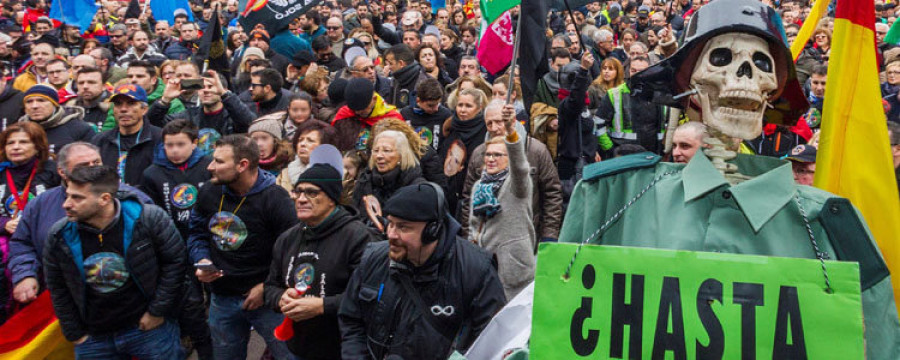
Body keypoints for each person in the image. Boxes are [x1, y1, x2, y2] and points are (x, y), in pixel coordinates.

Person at [339, 183, 506, 359]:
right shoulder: (373, 258)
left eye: (403, 227)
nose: (392, 235)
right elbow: (351, 320)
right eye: (391, 224)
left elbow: (492, 340)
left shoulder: (476, 270)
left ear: (432, 231)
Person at [43, 166, 185, 358]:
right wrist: (75, 334)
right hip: (93, 339)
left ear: (104, 199)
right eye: (67, 195)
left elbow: (175, 263)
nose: (66, 204)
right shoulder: (59, 235)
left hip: (149, 331)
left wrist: (156, 312)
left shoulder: (148, 218)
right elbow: (57, 286)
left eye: (77, 198)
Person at [188, 135, 298, 360]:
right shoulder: (209, 191)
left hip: (267, 301)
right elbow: (197, 233)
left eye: (219, 162)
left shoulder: (275, 198)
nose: (210, 167)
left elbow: (293, 250)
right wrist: (202, 260)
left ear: (243, 165)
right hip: (222, 298)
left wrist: (266, 287)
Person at [264, 158, 376, 359]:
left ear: (332, 198)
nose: (301, 199)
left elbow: (370, 297)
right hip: (298, 348)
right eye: (298, 191)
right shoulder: (287, 238)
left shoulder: (358, 237)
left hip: (342, 349)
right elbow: (271, 286)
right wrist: (281, 298)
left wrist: (322, 306)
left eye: (312, 192)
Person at [460, 100, 563, 244]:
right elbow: (468, 200)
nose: (494, 128)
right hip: (488, 238)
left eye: (499, 122)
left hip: (526, 236)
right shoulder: (479, 154)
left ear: (512, 121)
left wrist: (549, 235)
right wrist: (469, 238)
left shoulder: (535, 150)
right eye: (489, 123)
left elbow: (552, 194)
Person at [466, 104, 534, 299]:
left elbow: (520, 166)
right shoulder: (480, 185)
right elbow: (473, 225)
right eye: (488, 154)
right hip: (484, 266)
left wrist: (511, 131)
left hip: (513, 268)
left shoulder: (517, 184)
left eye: (497, 155)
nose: (491, 159)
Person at [139, 119, 211, 240]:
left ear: (194, 143)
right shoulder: (151, 174)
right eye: (169, 145)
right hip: (171, 237)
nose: (175, 150)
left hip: (205, 233)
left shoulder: (209, 166)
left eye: (181, 144)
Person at [91, 84, 162, 186]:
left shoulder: (159, 138)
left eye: (131, 103)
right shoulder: (100, 140)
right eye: (118, 104)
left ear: (144, 109)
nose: (123, 109)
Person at [354, 129, 426, 227]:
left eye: (386, 150)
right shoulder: (364, 182)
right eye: (375, 150)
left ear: (401, 155)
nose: (379, 156)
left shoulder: (417, 188)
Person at [0, 121, 60, 239]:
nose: (16, 147)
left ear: (38, 147)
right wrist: (4, 224)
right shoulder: (1, 172)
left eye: (23, 142)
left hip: (45, 237)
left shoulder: (54, 171)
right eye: (10, 143)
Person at [440, 88, 488, 213]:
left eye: (468, 106)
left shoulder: (485, 131)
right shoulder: (450, 127)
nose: (462, 110)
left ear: (479, 108)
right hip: (449, 193)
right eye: (460, 105)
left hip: (472, 195)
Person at [331, 78, 402, 152]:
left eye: (363, 108)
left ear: (374, 99)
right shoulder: (344, 114)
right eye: (355, 109)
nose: (358, 112)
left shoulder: (393, 119)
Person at [19, 84, 95, 153]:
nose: (34, 106)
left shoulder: (79, 129)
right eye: (29, 102)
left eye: (41, 100)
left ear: (54, 104)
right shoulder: (19, 131)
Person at [276, 119, 335, 191]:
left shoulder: (338, 174)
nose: (302, 144)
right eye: (300, 140)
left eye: (310, 141)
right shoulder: (284, 174)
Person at [399, 78, 453, 151]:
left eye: (437, 104)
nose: (436, 108)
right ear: (418, 100)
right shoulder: (406, 114)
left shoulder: (445, 115)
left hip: (436, 159)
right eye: (430, 105)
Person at [384, 44, 430, 108]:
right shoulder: (394, 81)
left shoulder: (426, 82)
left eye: (391, 63)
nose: (389, 67)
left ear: (401, 63)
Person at [67, 66, 110, 131]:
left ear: (104, 86)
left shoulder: (114, 108)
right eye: (81, 83)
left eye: (91, 82)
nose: (85, 86)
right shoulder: (70, 109)